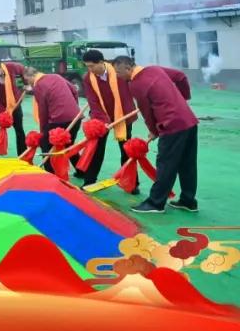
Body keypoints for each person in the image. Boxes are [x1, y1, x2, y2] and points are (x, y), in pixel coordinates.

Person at [113, 56, 199, 214]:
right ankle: (188, 201)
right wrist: (183, 98)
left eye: (118, 72)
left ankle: (155, 203)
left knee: (165, 164)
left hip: (172, 125)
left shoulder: (136, 84)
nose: (118, 76)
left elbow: (147, 111)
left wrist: (153, 130)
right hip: (189, 120)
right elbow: (180, 76)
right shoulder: (154, 69)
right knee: (187, 163)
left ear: (128, 68)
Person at [81, 49, 139, 190]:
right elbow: (93, 101)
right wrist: (103, 122)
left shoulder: (118, 72)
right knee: (96, 148)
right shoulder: (88, 78)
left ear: (101, 62)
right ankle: (89, 180)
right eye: (87, 66)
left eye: (92, 66)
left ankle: (132, 184)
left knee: (126, 149)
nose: (90, 70)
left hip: (123, 115)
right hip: (101, 117)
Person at [23, 65, 81, 173]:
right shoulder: (56, 76)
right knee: (69, 144)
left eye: (27, 80)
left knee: (45, 144)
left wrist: (42, 131)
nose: (28, 83)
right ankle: (81, 170)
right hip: (76, 117)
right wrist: (75, 108)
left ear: (32, 76)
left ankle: (50, 173)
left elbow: (43, 110)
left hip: (58, 120)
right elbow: (74, 90)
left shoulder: (38, 86)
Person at [0, 59, 28, 154]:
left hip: (14, 105)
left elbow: (25, 71)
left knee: (19, 130)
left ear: (0, 67)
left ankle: (23, 155)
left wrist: (26, 83)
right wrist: (4, 112)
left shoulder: (12, 67)